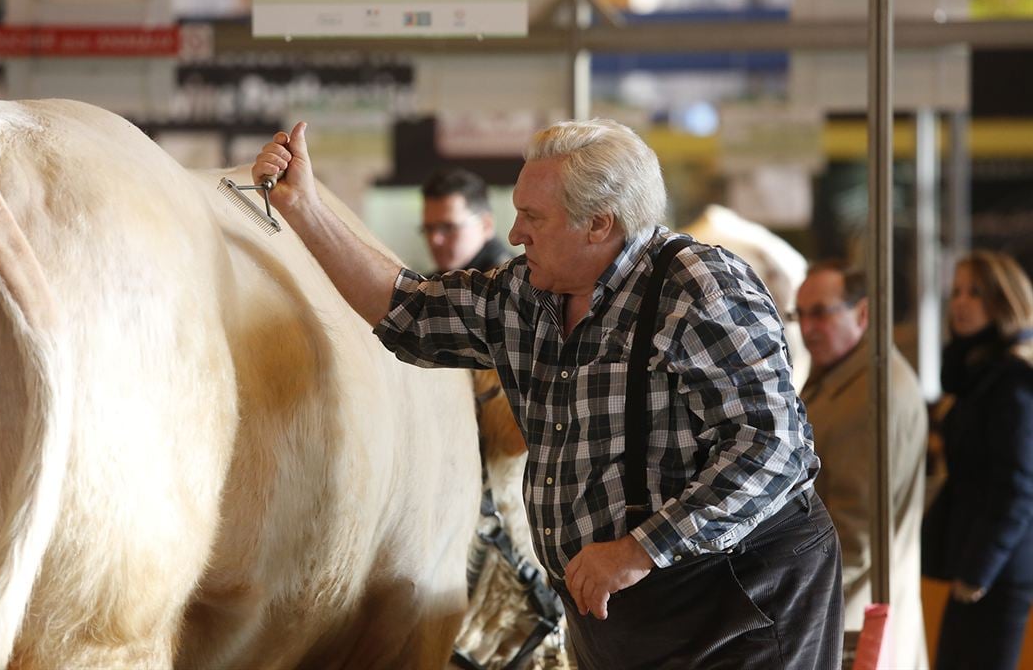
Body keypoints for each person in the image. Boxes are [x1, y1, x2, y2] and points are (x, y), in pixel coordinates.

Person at [253, 118, 843, 669]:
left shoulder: (698, 286)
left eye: (532, 217)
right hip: (616, 611)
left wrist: (638, 550)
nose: (514, 234)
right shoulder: (530, 296)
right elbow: (411, 310)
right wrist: (304, 207)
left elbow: (772, 449)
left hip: (740, 598)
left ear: (599, 224)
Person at [796, 261, 929, 668]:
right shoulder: (842, 379)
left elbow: (856, 532)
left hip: (854, 615)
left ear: (863, 313)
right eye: (799, 314)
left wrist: (801, 599)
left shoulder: (872, 397)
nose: (807, 328)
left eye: (820, 312)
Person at [922, 250, 1033, 670]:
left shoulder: (1012, 380)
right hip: (976, 561)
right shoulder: (976, 374)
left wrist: (978, 573)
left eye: (975, 293)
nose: (960, 303)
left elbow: (1017, 488)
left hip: (998, 571)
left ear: (1004, 301)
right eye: (956, 292)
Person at [420, 167, 512, 274]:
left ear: (486, 225)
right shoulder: (440, 280)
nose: (434, 240)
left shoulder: (506, 282)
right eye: (429, 229)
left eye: (448, 227)